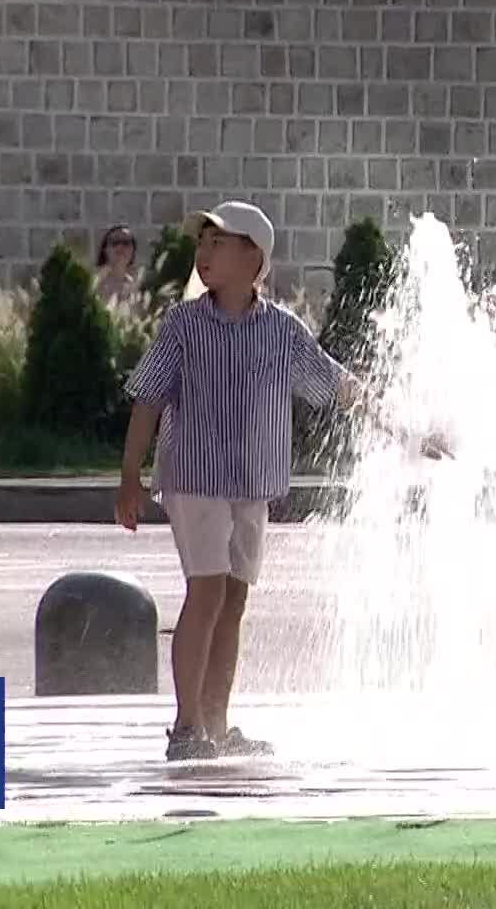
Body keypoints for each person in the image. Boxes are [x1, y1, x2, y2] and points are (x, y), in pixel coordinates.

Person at [116, 200, 445, 761]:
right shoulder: (183, 325)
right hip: (194, 479)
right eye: (203, 244)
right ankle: (187, 727)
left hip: (253, 484)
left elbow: (337, 383)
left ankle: (217, 726)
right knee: (208, 590)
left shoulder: (281, 331)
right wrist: (130, 478)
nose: (204, 254)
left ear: (254, 259)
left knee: (235, 599)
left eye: (218, 243)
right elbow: (147, 398)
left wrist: (403, 429)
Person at [95, 225, 141, 302]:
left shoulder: (136, 287)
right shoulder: (94, 283)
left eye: (126, 243)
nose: (120, 247)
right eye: (115, 242)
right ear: (105, 249)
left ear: (133, 250)